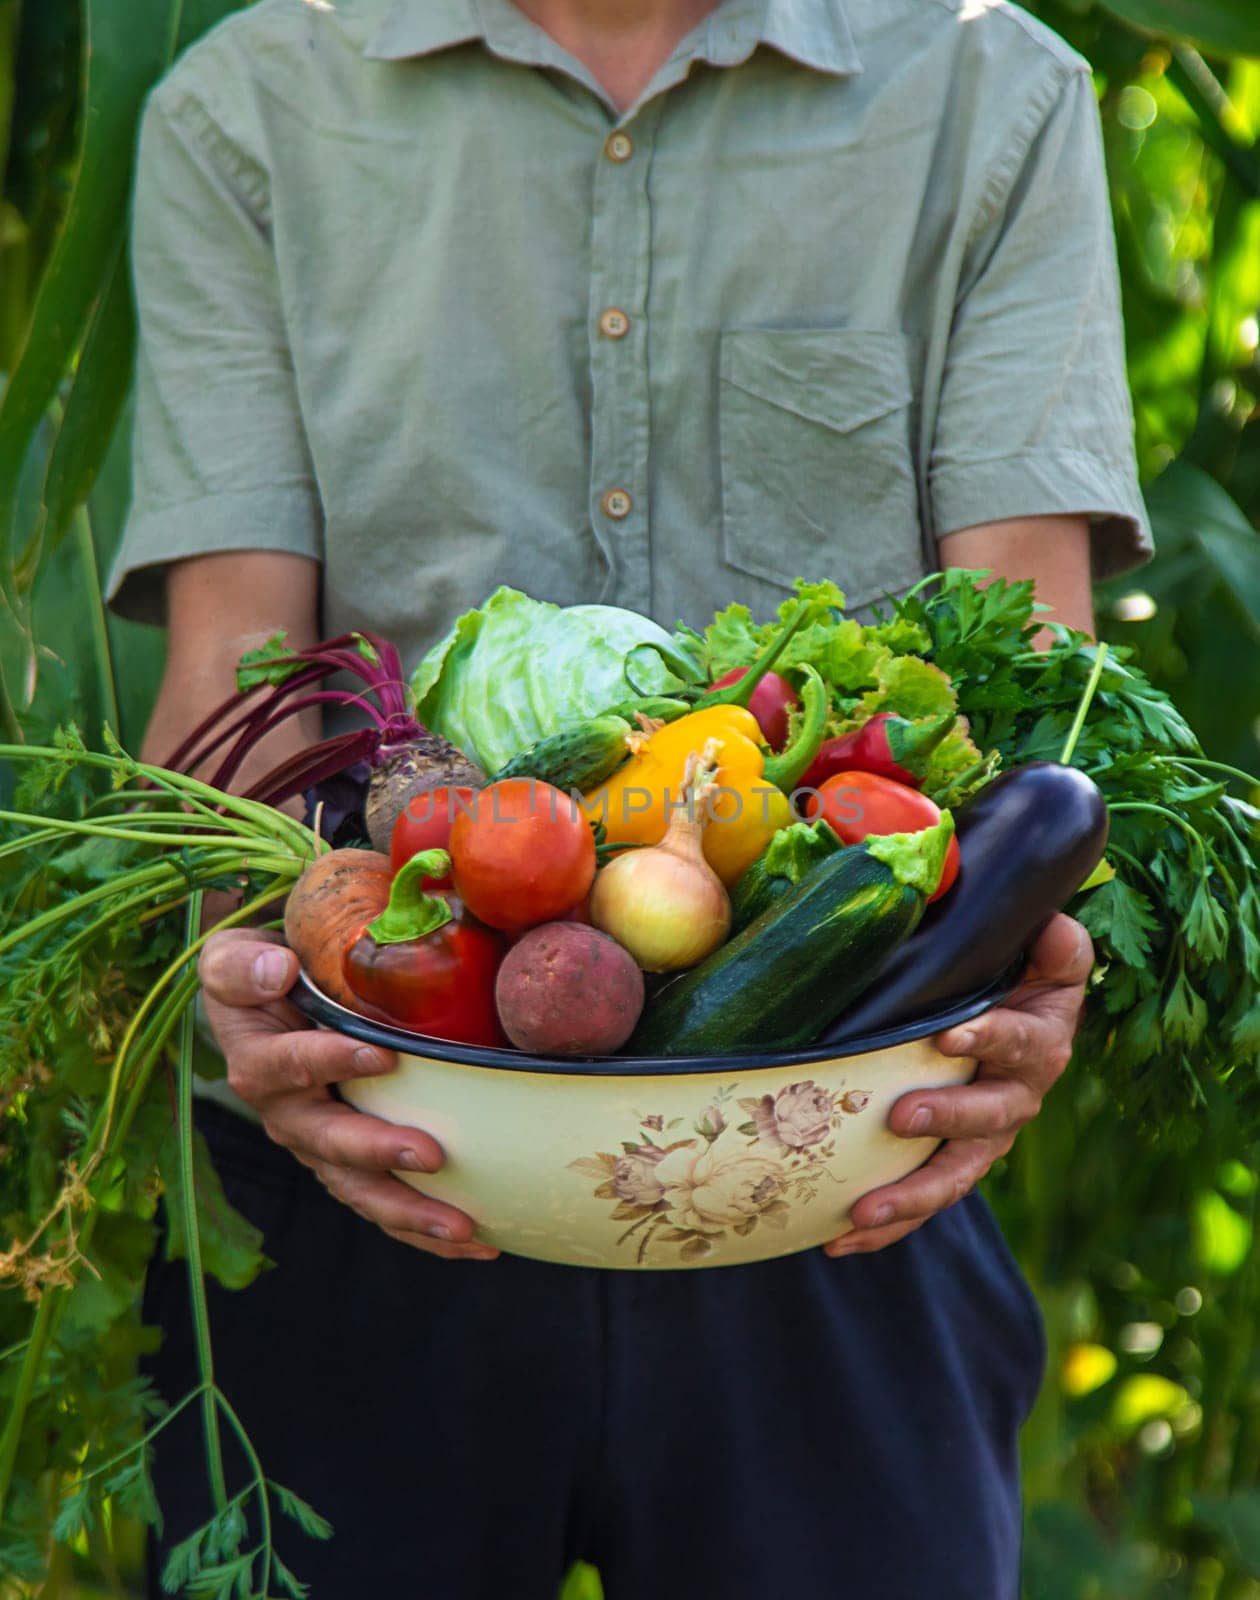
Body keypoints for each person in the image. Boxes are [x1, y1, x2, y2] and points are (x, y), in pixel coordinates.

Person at [107, 0, 1152, 1594]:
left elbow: (1027, 679)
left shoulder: (983, 93)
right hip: (387, 1130)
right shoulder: (250, 108)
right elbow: (235, 690)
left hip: (842, 1142)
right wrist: (256, 975)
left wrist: (1023, 972)